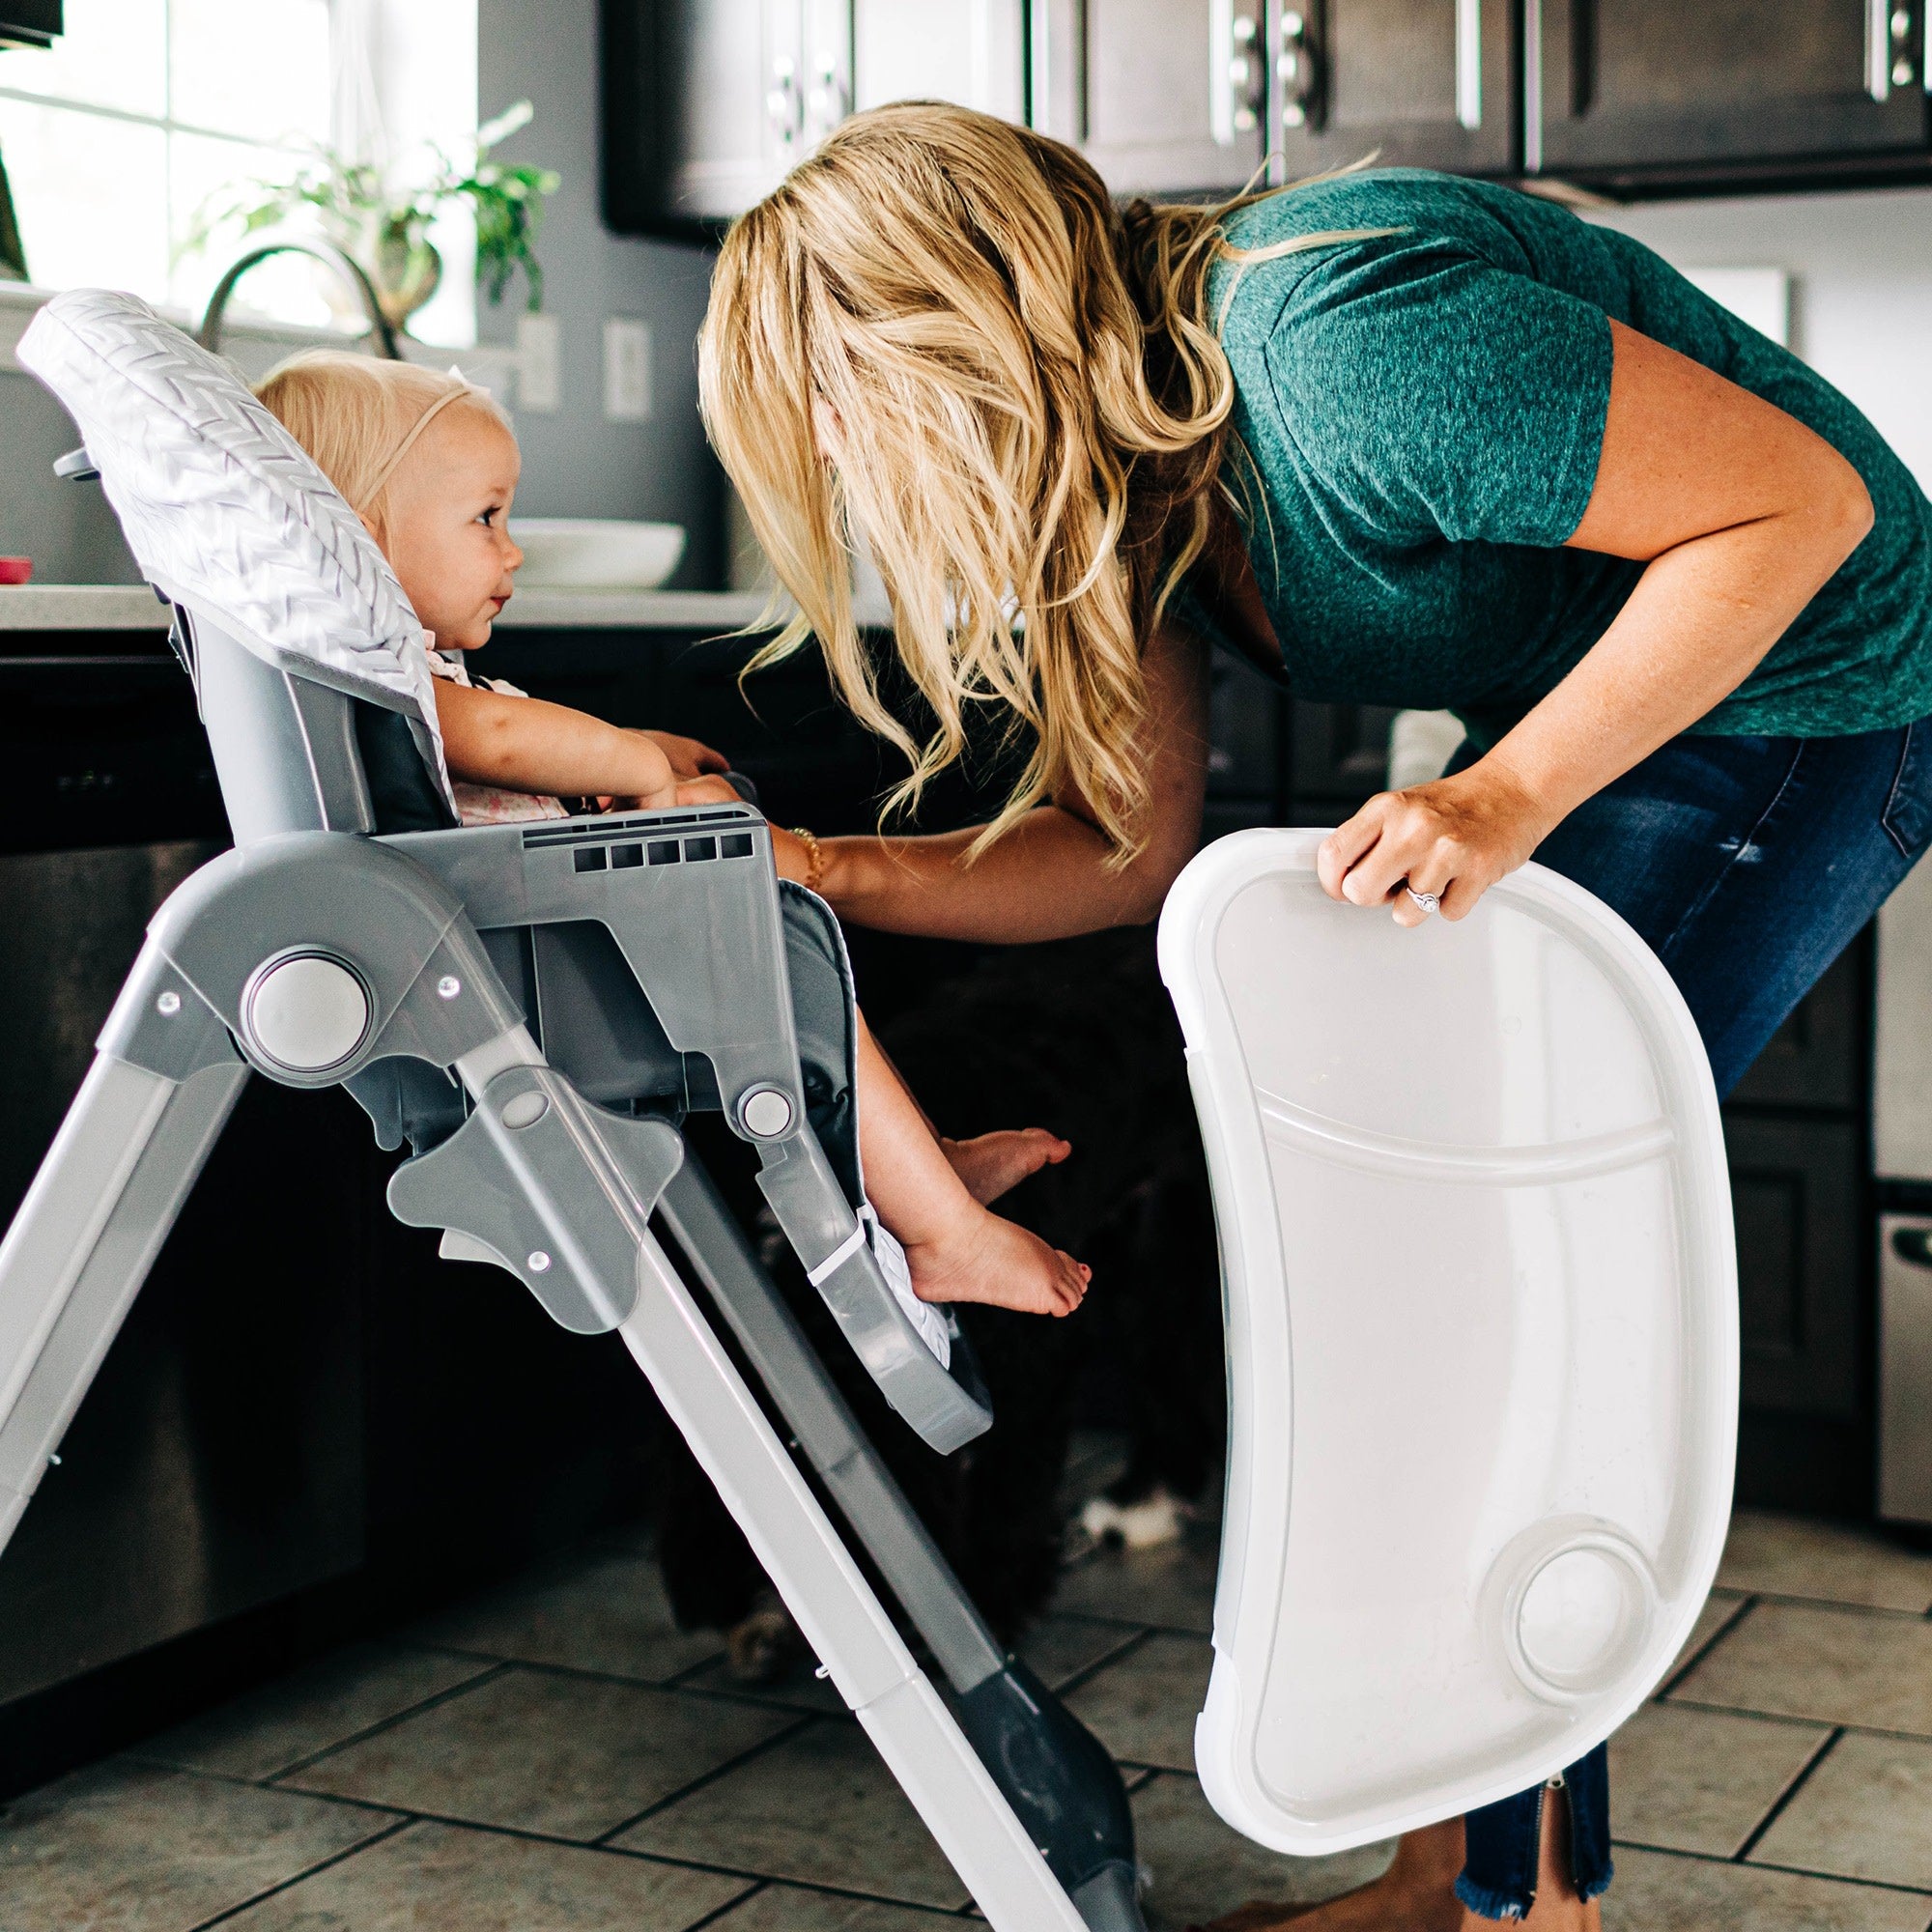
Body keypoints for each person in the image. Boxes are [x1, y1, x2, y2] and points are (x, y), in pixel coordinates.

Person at [696, 103, 1932, 1930]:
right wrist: (820, 864)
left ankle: (1518, 1906)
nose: (836, 468)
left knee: (1507, 1273)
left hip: (1817, 690)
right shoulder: (1132, 483)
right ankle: (1465, 1875)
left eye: (829, 406)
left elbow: (1798, 512)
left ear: (943, 328)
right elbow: (1123, 852)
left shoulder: (1334, 343)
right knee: (1446, 1279)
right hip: (1672, 701)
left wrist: (1502, 798)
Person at [251, 350, 1092, 1330]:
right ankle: (939, 1224)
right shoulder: (403, 685)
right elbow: (511, 739)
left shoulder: (414, 678)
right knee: (769, 937)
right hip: (544, 974)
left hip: (552, 944)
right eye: (484, 519)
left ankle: (920, 1172)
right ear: (363, 528)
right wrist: (642, 771)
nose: (511, 550)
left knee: (793, 963)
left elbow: (522, 744)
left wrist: (638, 753)